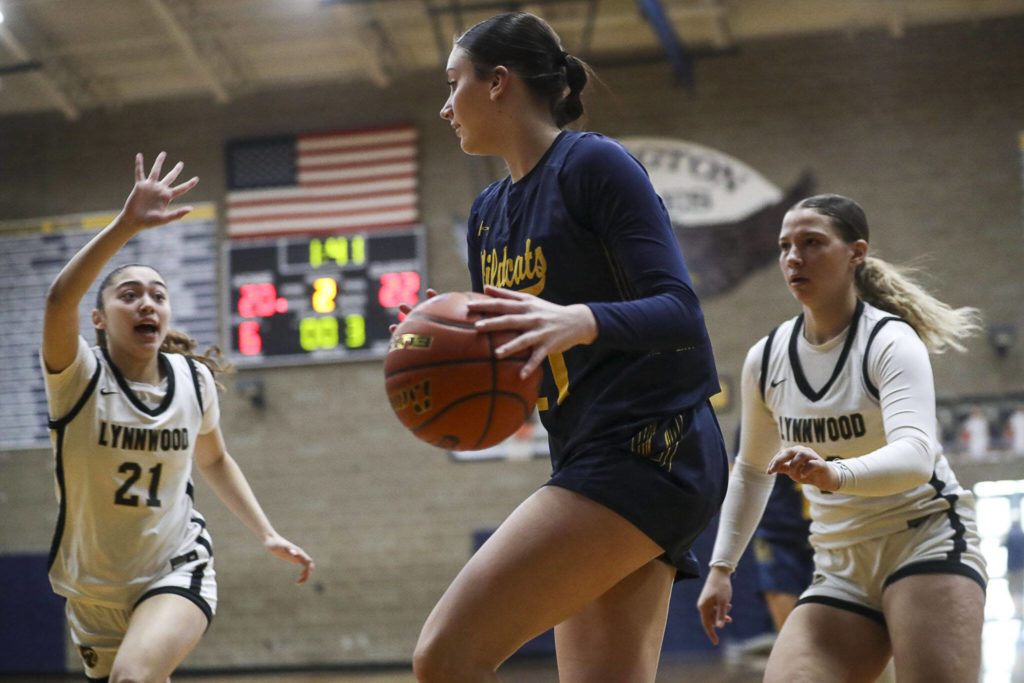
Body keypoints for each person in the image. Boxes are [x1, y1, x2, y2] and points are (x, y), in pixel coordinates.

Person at [408, 12, 728, 682]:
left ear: (499, 83)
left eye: (453, 83)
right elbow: (512, 358)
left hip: (651, 445)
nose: (443, 106)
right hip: (586, 450)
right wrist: (445, 339)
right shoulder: (487, 215)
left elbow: (681, 311)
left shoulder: (594, 165)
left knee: (444, 655)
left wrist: (580, 319)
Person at [42, 152, 315, 682]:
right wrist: (126, 225)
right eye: (130, 295)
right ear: (98, 319)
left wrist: (266, 533)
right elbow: (58, 301)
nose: (147, 303)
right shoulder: (78, 377)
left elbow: (215, 460)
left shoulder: (192, 382)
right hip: (91, 588)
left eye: (158, 296)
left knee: (134, 679)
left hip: (176, 567)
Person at [696, 193, 987, 682]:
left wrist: (835, 473)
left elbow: (916, 454)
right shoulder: (766, 359)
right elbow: (750, 470)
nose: (794, 257)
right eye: (786, 245)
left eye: (812, 243)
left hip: (925, 542)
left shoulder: (889, 340)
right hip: (839, 566)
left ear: (856, 253)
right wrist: (721, 567)